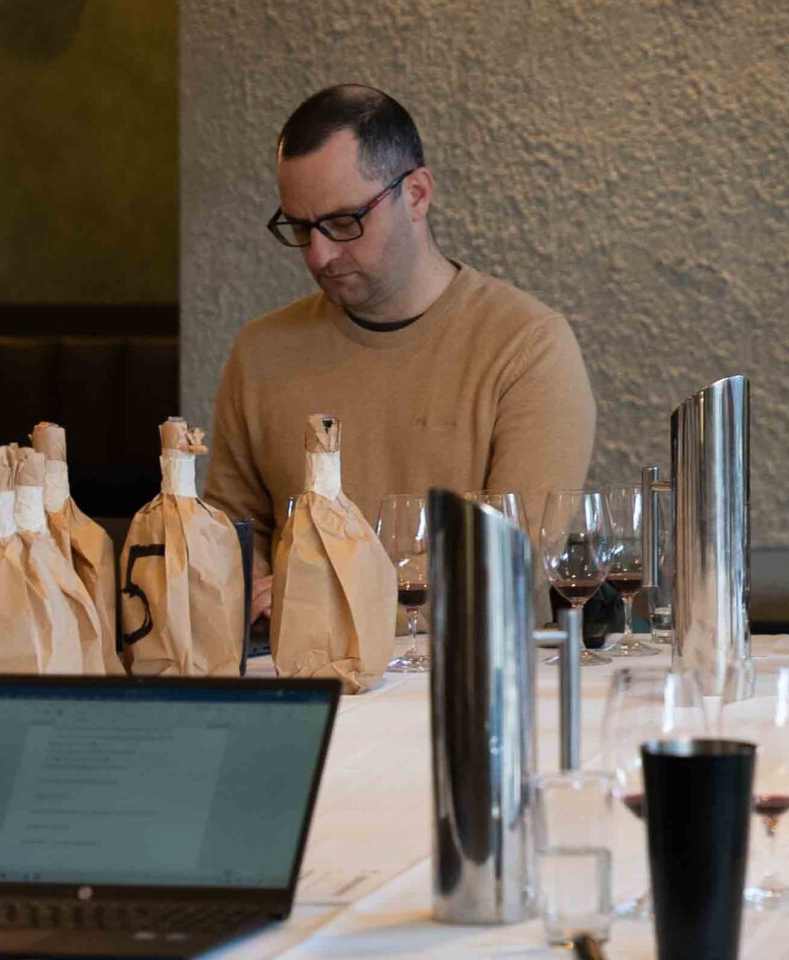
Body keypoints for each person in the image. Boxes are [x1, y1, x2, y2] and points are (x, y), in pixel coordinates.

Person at [206, 85, 596, 620]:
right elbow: (231, 536)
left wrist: (326, 597)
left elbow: (509, 568)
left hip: (466, 666)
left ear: (416, 194)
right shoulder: (261, 350)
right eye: (300, 227)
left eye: (344, 222)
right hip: (299, 665)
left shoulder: (527, 346)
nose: (319, 254)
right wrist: (239, 583)